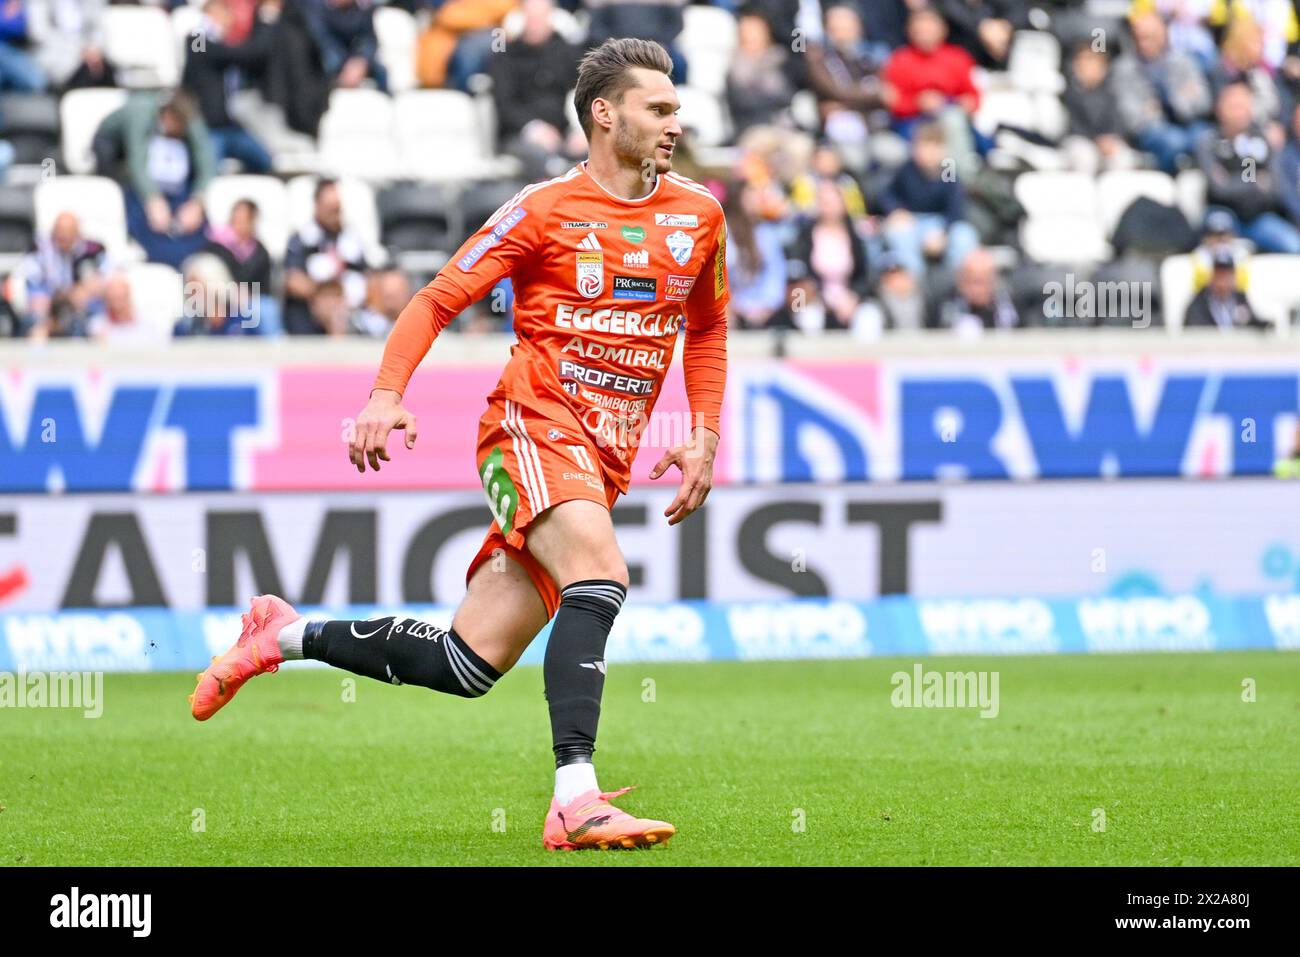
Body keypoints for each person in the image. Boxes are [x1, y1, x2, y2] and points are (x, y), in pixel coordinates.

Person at [189, 38, 730, 852]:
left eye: (676, 108)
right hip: (530, 425)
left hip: (603, 460)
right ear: (603, 114)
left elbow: (710, 326)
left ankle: (282, 634)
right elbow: (438, 298)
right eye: (658, 108)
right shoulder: (543, 210)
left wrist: (703, 432)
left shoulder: (699, 215)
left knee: (469, 661)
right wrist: (384, 394)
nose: (673, 122)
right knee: (603, 571)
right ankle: (575, 796)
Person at [93, 91, 214, 269]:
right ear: (168, 115)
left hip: (155, 162)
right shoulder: (141, 114)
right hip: (115, 151)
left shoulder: (190, 117)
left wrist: (197, 201)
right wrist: (153, 199)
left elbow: (205, 157)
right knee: (133, 196)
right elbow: (137, 161)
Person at [282, 178, 369, 334]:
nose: (334, 215)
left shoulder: (351, 239)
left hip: (352, 306)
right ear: (317, 206)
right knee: (331, 306)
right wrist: (326, 292)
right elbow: (293, 281)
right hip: (312, 311)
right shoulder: (302, 239)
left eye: (337, 210)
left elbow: (367, 276)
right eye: (330, 209)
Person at [1183, 247, 1268, 329]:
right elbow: (1194, 327)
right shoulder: (1200, 301)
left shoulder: (1240, 298)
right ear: (1211, 276)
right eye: (1219, 275)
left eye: (1227, 275)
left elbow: (1252, 322)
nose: (1222, 281)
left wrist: (1263, 326)